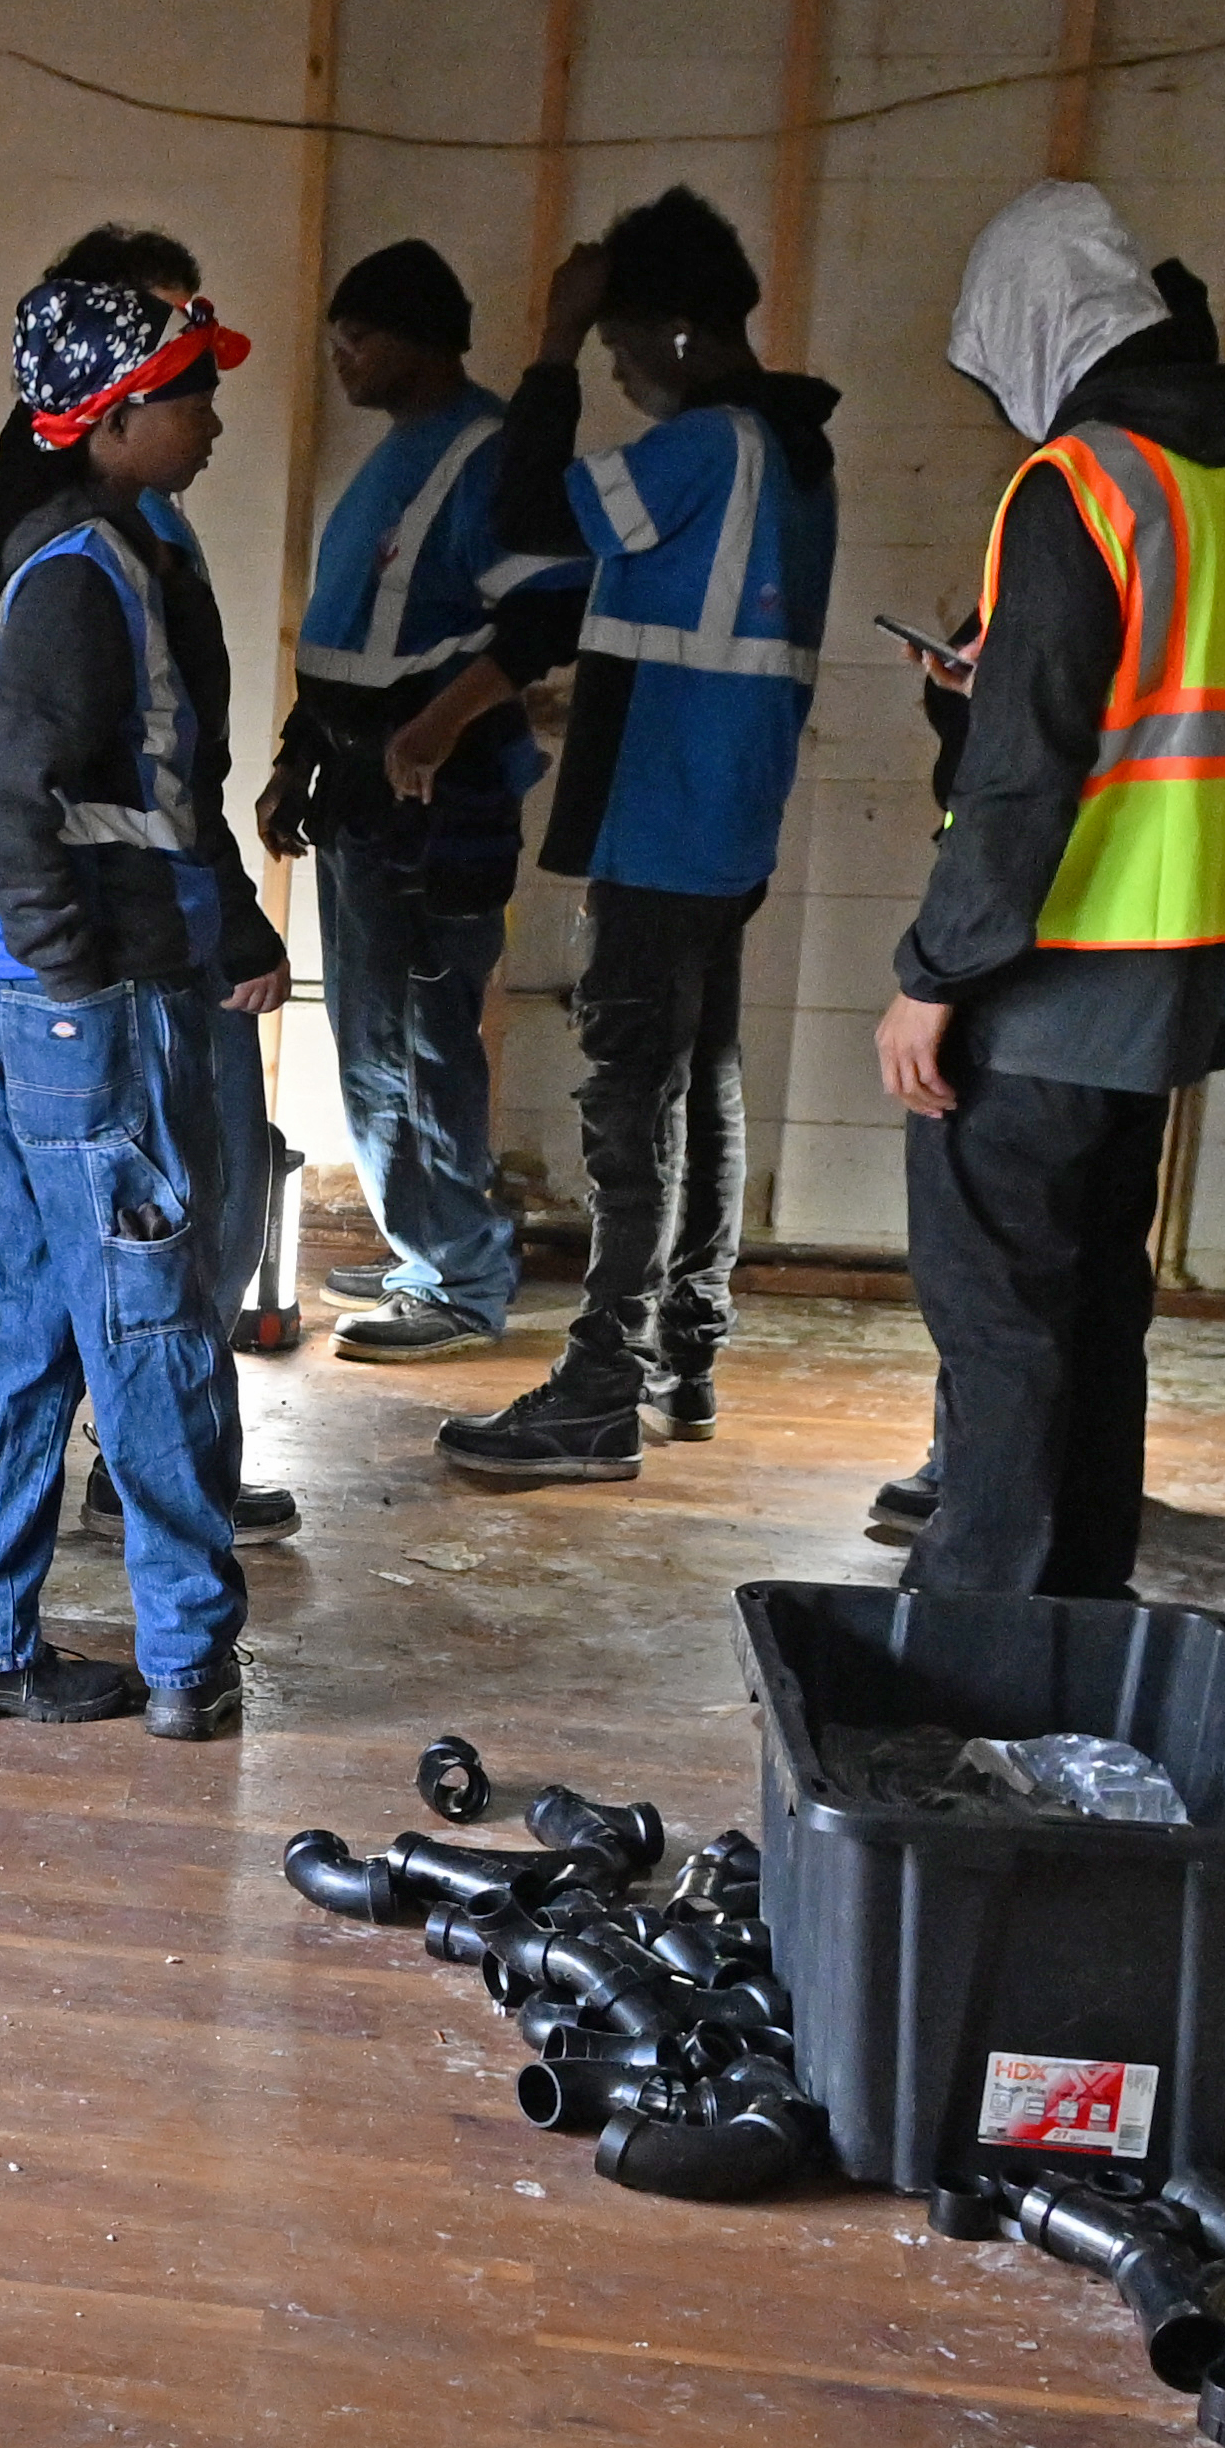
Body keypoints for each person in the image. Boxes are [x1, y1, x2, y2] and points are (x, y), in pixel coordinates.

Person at [881, 181, 1225, 1597]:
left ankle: (976, 1645)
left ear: (1035, 326)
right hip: (1178, 976)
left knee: (999, 1319)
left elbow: (1023, 780)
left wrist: (928, 977)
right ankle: (1081, 1610)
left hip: (1044, 971)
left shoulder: (1078, 484)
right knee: (1095, 1308)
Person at [0, 273, 278, 1741]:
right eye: (192, 393)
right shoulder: (85, 570)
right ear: (115, 418)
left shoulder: (87, 550)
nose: (212, 419)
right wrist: (83, 979)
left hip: (13, 1008)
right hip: (80, 1015)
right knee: (152, 1330)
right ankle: (189, 1660)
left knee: (27, 1332)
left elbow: (151, 802)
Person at [437, 187, 842, 1487]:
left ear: (674, 334)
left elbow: (524, 513)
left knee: (629, 1097)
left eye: (619, 348)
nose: (609, 369)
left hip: (665, 813)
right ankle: (680, 1354)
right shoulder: (790, 449)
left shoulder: (711, 444)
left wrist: (546, 346)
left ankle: (601, 1391)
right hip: (718, 814)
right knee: (699, 1081)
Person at [261, 236, 584, 1365]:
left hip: (435, 795)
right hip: (359, 784)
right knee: (366, 1033)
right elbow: (350, 636)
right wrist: (297, 756)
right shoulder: (401, 452)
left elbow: (543, 620)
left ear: (416, 339)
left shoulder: (488, 452)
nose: (341, 360)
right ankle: (423, 1239)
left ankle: (459, 1278)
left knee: (424, 1035)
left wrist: (438, 725)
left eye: (357, 340)